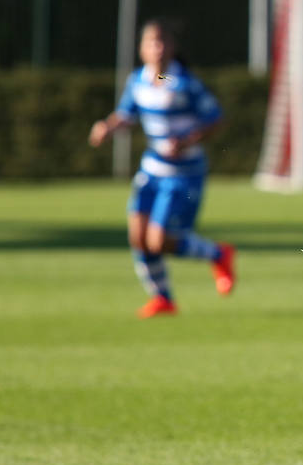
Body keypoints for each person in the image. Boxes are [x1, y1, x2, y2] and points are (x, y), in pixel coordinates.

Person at [88, 17, 235, 318]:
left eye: (162, 41)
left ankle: (219, 254)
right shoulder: (139, 80)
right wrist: (107, 127)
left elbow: (215, 119)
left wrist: (188, 140)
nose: (157, 48)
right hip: (153, 169)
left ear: (172, 46)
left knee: (159, 240)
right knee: (138, 236)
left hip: (184, 172)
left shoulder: (179, 82)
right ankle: (163, 298)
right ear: (141, 48)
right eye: (151, 42)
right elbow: (127, 114)